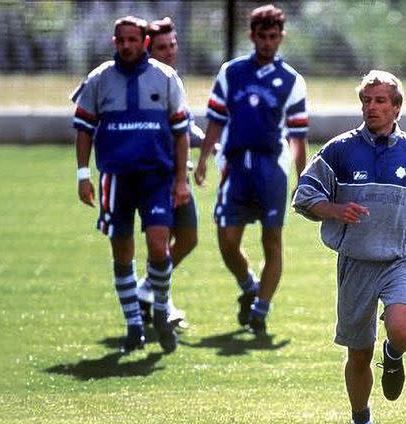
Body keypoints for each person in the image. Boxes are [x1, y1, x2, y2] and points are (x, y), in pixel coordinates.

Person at [293, 70, 406, 424]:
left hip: (400, 258)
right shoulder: (339, 151)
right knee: (358, 356)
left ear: (397, 108)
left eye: (381, 101)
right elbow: (304, 197)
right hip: (356, 265)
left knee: (402, 330)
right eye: (367, 101)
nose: (373, 108)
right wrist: (334, 209)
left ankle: (393, 355)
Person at [72, 16, 191, 354]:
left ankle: (160, 309)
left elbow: (181, 133)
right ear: (114, 42)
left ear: (144, 43)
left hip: (156, 177)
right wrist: (83, 175)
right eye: (120, 40)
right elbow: (83, 129)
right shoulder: (98, 80)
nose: (126, 46)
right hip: (115, 179)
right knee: (122, 251)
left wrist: (181, 179)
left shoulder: (166, 77)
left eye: (132, 40)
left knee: (158, 246)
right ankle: (134, 327)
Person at [194, 4, 308, 335]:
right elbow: (215, 120)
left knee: (272, 241)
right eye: (262, 36)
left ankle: (261, 309)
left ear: (281, 37)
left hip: (271, 167)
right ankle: (249, 286)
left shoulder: (291, 80)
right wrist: (202, 160)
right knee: (227, 239)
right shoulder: (231, 72)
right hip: (235, 164)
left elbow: (298, 134)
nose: (268, 42)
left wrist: (302, 177)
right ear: (252, 36)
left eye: (274, 37)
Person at [133, 16, 205, 330]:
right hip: (155, 175)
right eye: (163, 47)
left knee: (187, 238)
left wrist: (210, 142)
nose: (170, 51)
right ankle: (159, 301)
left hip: (178, 173)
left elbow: (184, 125)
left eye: (173, 44)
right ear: (149, 48)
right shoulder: (143, 81)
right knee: (162, 242)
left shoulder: (171, 77)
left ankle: (148, 288)